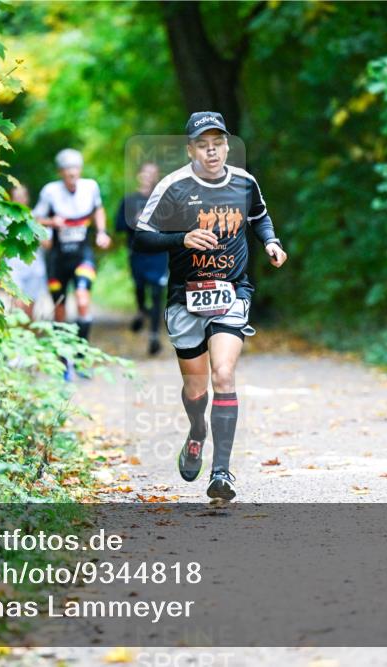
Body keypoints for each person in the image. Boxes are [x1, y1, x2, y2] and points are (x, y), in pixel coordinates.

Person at [132, 112, 287, 501]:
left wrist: (270, 242)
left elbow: (260, 217)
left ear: (227, 146)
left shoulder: (244, 182)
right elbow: (142, 239)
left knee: (223, 374)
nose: (211, 150)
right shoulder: (173, 187)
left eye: (217, 142)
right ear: (191, 149)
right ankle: (197, 430)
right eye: (203, 144)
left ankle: (222, 473)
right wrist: (181, 239)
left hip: (232, 291)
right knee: (196, 386)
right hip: (186, 296)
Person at [32, 149, 111, 376]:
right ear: (60, 173)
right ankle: (63, 360)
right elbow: (35, 219)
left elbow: (98, 209)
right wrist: (50, 222)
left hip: (82, 254)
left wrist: (101, 232)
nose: (72, 174)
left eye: (75, 169)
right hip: (58, 258)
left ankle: (81, 355)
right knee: (60, 309)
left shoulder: (90, 187)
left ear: (80, 170)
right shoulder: (50, 192)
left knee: (83, 298)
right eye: (67, 171)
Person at [115, 162, 168, 356]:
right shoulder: (129, 200)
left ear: (156, 176)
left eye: (152, 173)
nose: (148, 176)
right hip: (137, 252)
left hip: (159, 253)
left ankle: (154, 336)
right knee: (139, 287)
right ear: (139, 176)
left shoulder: (162, 199)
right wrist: (134, 221)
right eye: (145, 173)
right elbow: (119, 226)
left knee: (156, 292)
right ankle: (140, 312)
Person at [7, 184, 47, 319]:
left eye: (22, 197)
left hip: (35, 268)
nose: (19, 200)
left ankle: (26, 338)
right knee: (17, 305)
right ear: (11, 199)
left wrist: (37, 228)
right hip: (14, 268)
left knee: (30, 311)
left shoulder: (37, 218)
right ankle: (16, 337)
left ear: (27, 198)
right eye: (16, 197)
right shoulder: (5, 218)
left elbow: (48, 243)